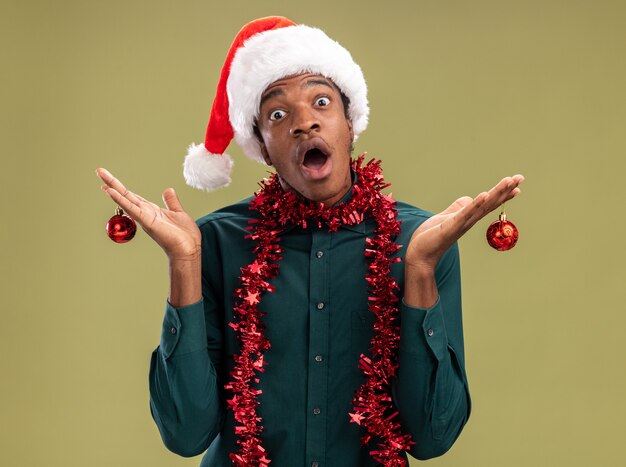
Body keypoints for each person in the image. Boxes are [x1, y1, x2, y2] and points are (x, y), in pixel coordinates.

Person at [96, 16, 523, 467]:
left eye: (321, 101)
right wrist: (184, 264)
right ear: (262, 145)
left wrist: (418, 271)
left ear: (350, 123)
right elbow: (186, 436)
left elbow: (432, 438)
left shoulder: (422, 242)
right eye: (277, 114)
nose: (304, 123)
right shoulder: (215, 244)